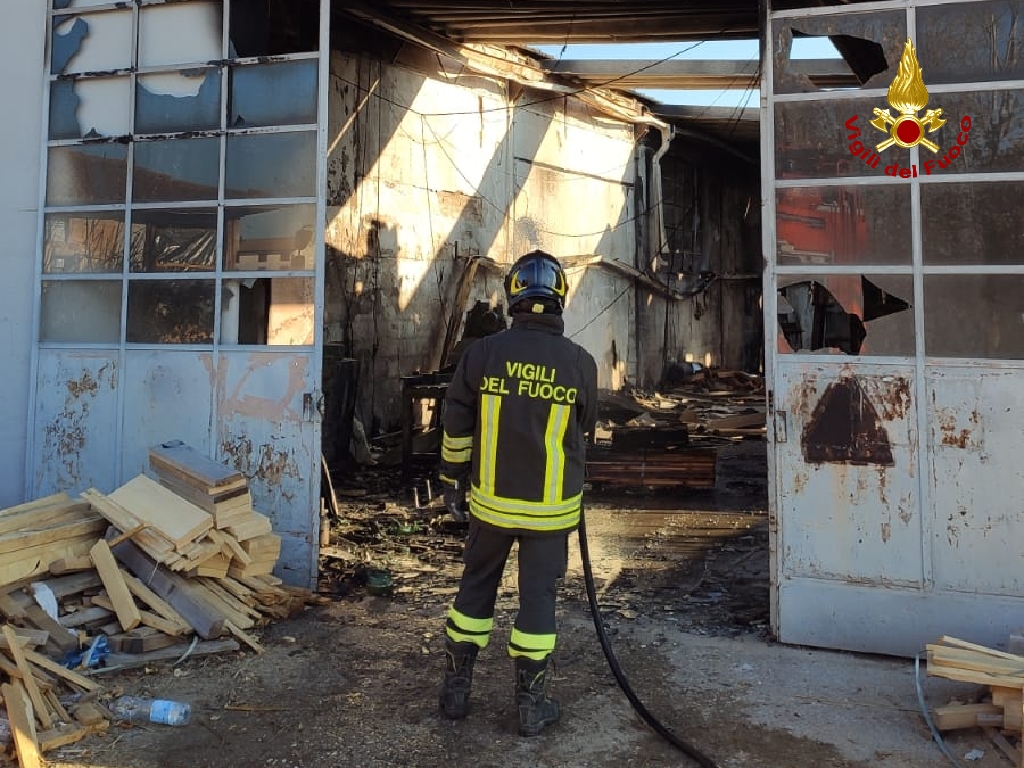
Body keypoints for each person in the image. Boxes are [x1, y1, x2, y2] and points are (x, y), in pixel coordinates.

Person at [436, 249, 598, 737]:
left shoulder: (481, 355)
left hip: (490, 506)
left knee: (476, 588)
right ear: (561, 297)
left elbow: (456, 422)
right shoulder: (580, 363)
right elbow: (584, 430)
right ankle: (531, 704)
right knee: (537, 604)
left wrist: (451, 481)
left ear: (512, 297)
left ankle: (456, 691)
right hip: (551, 515)